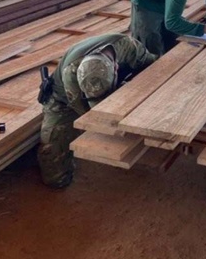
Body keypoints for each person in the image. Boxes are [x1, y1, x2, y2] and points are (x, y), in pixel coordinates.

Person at [37, 33, 157, 188]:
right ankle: (60, 177)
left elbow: (152, 66)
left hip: (114, 85)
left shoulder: (128, 46)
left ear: (115, 66)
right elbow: (88, 114)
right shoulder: (71, 74)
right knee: (54, 168)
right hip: (64, 101)